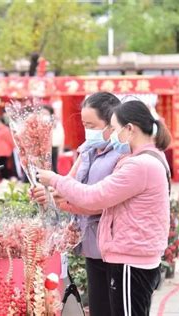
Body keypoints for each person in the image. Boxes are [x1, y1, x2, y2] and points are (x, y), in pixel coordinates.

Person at [36, 100, 171, 316]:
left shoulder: (139, 165)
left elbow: (94, 197)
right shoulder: (145, 159)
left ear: (130, 129)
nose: (113, 136)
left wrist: (55, 180)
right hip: (132, 255)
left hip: (130, 258)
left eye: (115, 129)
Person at [33, 92, 122, 315]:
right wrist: (49, 193)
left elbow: (98, 201)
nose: (87, 130)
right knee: (99, 307)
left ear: (112, 123)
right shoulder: (86, 150)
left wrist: (61, 198)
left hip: (115, 244)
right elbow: (68, 184)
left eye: (91, 125)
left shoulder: (122, 156)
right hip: (91, 245)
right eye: (84, 124)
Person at [41, 106, 64, 173]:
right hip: (42, 146)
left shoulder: (55, 123)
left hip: (53, 146)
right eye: (42, 113)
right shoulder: (39, 122)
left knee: (53, 164)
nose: (44, 115)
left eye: (46, 113)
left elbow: (60, 135)